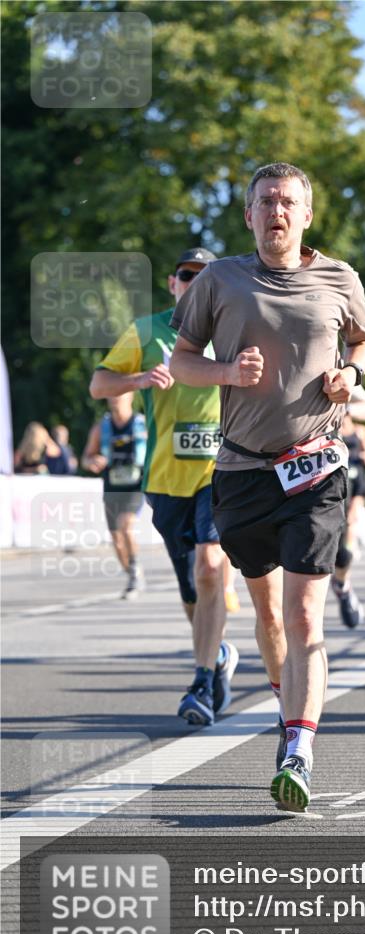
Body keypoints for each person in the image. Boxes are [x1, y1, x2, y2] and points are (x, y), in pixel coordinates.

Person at [168, 162, 365, 812]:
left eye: (288, 202)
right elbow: (179, 361)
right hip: (240, 471)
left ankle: (298, 747)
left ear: (306, 215)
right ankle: (289, 716)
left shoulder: (339, 278)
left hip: (315, 468)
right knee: (264, 614)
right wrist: (226, 369)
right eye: (266, 202)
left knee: (304, 613)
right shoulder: (221, 279)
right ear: (249, 215)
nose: (277, 212)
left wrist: (351, 375)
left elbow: (364, 340)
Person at [89, 248, 239, 724]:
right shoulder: (148, 330)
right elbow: (98, 385)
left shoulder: (232, 328)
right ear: (173, 284)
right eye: (185, 275)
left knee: (211, 566)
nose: (193, 282)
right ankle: (215, 658)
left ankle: (199, 681)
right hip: (164, 476)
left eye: (203, 276)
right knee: (191, 588)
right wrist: (138, 379)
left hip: (220, 473)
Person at [81, 392, 147, 599]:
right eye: (112, 395)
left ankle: (135, 573)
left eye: (120, 394)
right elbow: (85, 457)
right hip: (112, 484)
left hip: (136, 484)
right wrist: (92, 462)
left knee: (125, 525)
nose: (115, 398)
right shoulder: (101, 427)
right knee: (116, 538)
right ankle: (132, 574)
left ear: (131, 397)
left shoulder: (142, 424)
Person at [330, 386, 365, 628]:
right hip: (302, 472)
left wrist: (341, 403)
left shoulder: (340, 374)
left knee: (343, 551)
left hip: (347, 479)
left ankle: (342, 584)